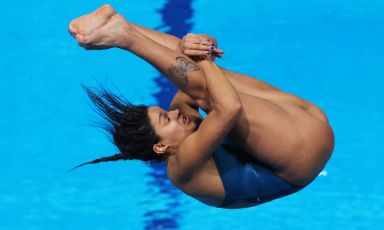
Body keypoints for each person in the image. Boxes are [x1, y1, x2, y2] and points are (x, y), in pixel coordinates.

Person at [68, 5, 335, 209]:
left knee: (198, 78)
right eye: (166, 119)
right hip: (304, 155)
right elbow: (228, 108)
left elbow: (187, 70)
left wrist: (200, 45)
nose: (174, 113)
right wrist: (206, 60)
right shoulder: (181, 167)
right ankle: (125, 37)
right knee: (207, 89)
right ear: (160, 147)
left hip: (306, 118)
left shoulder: (180, 127)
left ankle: (122, 25)